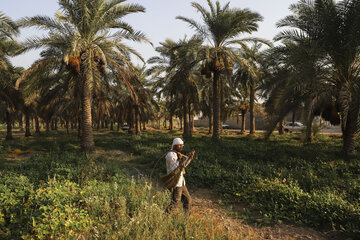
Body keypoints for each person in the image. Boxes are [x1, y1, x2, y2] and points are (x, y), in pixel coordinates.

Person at [165, 138, 195, 214]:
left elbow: (183, 166)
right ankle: (164, 216)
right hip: (176, 183)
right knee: (175, 204)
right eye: (180, 145)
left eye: (182, 145)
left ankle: (186, 219)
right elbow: (175, 170)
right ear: (175, 145)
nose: (181, 147)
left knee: (188, 200)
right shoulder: (170, 155)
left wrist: (189, 158)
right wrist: (179, 159)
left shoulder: (176, 154)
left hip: (181, 182)